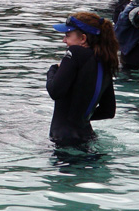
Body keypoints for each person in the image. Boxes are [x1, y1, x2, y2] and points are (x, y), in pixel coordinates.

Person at [46, 12, 118, 145]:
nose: (64, 40)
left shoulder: (75, 53)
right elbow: (108, 111)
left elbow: (55, 91)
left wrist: (53, 69)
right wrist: (80, 116)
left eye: (67, 35)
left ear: (83, 38)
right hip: (87, 136)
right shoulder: (105, 62)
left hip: (64, 139)